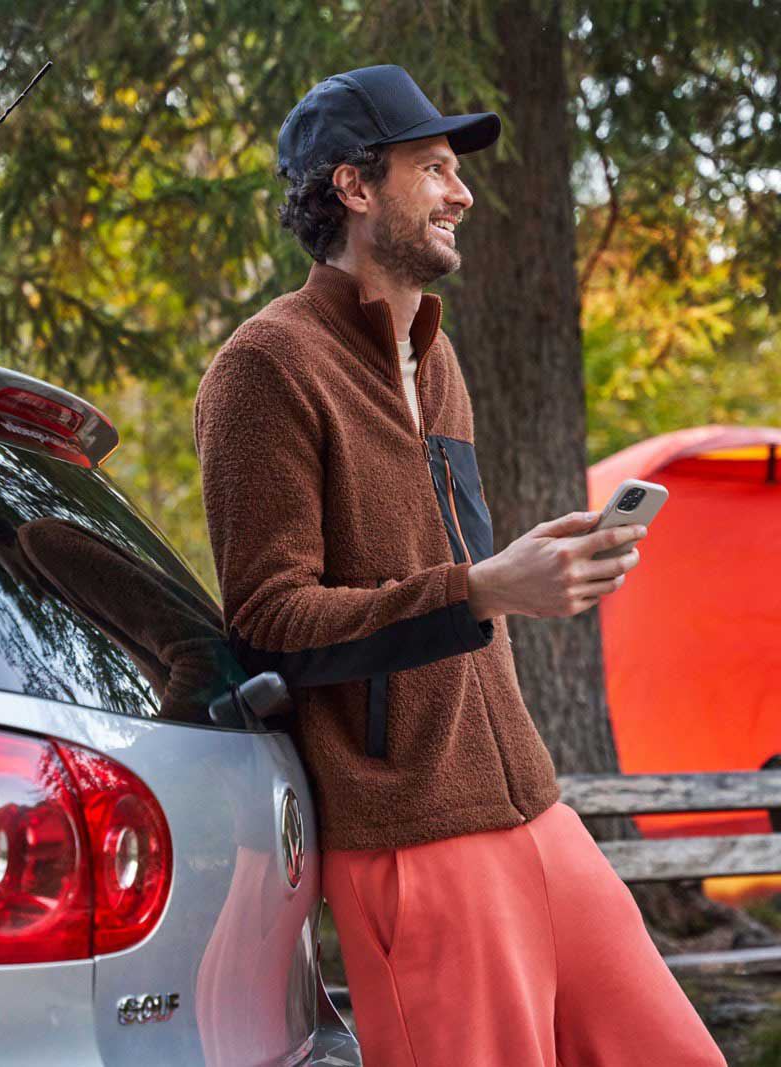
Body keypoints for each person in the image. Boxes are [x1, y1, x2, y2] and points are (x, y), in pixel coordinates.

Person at [194, 64, 727, 1067]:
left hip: (531, 801)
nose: (462, 190)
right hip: (412, 834)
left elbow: (451, 575)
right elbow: (268, 618)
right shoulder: (264, 367)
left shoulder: (432, 355)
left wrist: (531, 567)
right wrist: (482, 587)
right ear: (354, 187)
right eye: (432, 166)